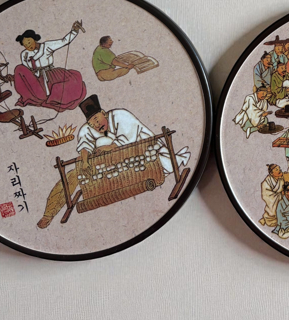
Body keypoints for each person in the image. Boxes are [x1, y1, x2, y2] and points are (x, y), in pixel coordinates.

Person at [37, 94, 189, 228]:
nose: (97, 124)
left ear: (104, 113)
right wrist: (84, 160)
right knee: (74, 174)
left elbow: (127, 139)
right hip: (111, 165)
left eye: (97, 119)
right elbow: (84, 146)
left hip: (144, 155)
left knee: (160, 166)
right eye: (92, 123)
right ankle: (48, 214)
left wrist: (107, 148)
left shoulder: (120, 115)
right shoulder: (88, 129)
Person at [11, 23, 86, 112]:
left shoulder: (46, 46)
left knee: (69, 85)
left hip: (53, 74)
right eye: (25, 45)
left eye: (29, 42)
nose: (28, 46)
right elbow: (27, 69)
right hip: (38, 78)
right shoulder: (24, 54)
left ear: (34, 39)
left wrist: (74, 31)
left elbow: (64, 41)